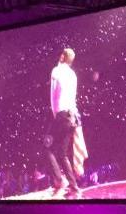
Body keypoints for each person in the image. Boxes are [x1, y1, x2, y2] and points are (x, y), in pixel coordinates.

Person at [47, 48, 82, 199]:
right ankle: (74, 187)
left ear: (62, 57)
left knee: (47, 147)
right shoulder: (73, 75)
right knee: (62, 153)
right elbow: (73, 97)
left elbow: (53, 95)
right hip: (72, 116)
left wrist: (55, 115)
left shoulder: (56, 71)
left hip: (61, 115)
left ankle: (60, 181)